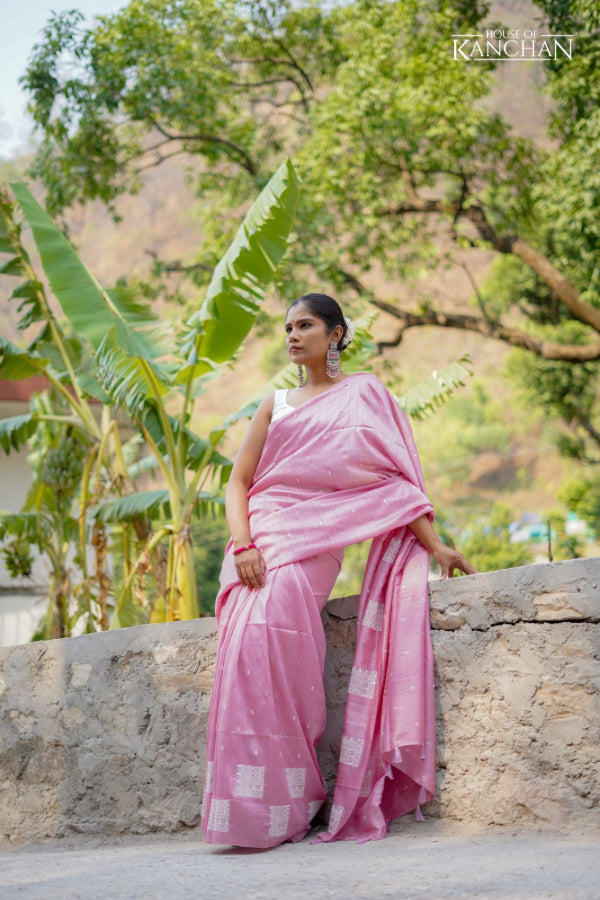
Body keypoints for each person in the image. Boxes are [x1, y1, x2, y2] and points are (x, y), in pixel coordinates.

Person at [201, 293, 475, 848]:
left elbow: (394, 484)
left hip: (315, 540)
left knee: (280, 646)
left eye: (305, 325)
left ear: (335, 334)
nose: (293, 335)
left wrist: (438, 547)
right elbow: (238, 482)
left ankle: (293, 800)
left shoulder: (363, 394)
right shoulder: (274, 404)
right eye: (287, 327)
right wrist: (245, 542)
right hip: (261, 537)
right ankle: (250, 810)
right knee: (246, 653)